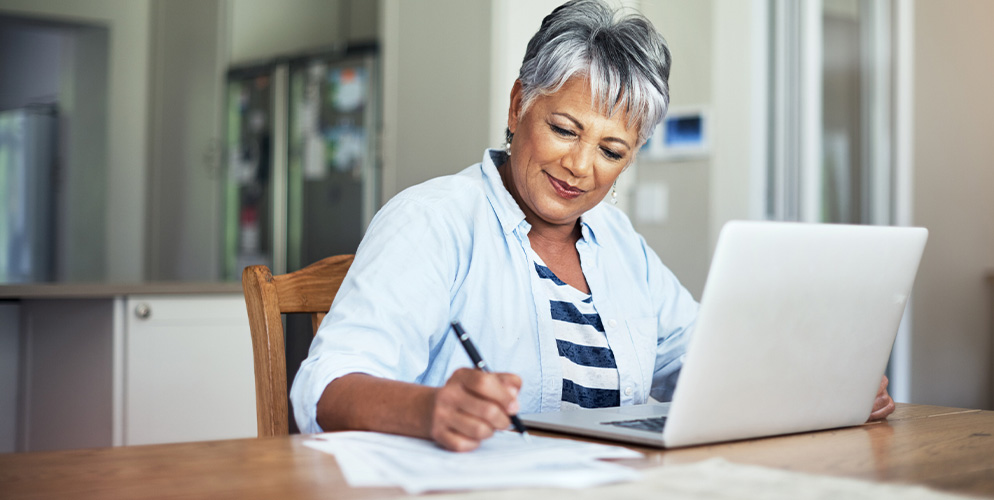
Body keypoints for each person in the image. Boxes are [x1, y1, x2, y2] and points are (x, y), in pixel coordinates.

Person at [290, 0, 895, 452]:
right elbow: (324, 388)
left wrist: (824, 385)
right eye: (564, 129)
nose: (580, 168)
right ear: (517, 104)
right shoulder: (434, 220)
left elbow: (700, 362)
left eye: (611, 150)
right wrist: (429, 409)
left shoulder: (618, 240)